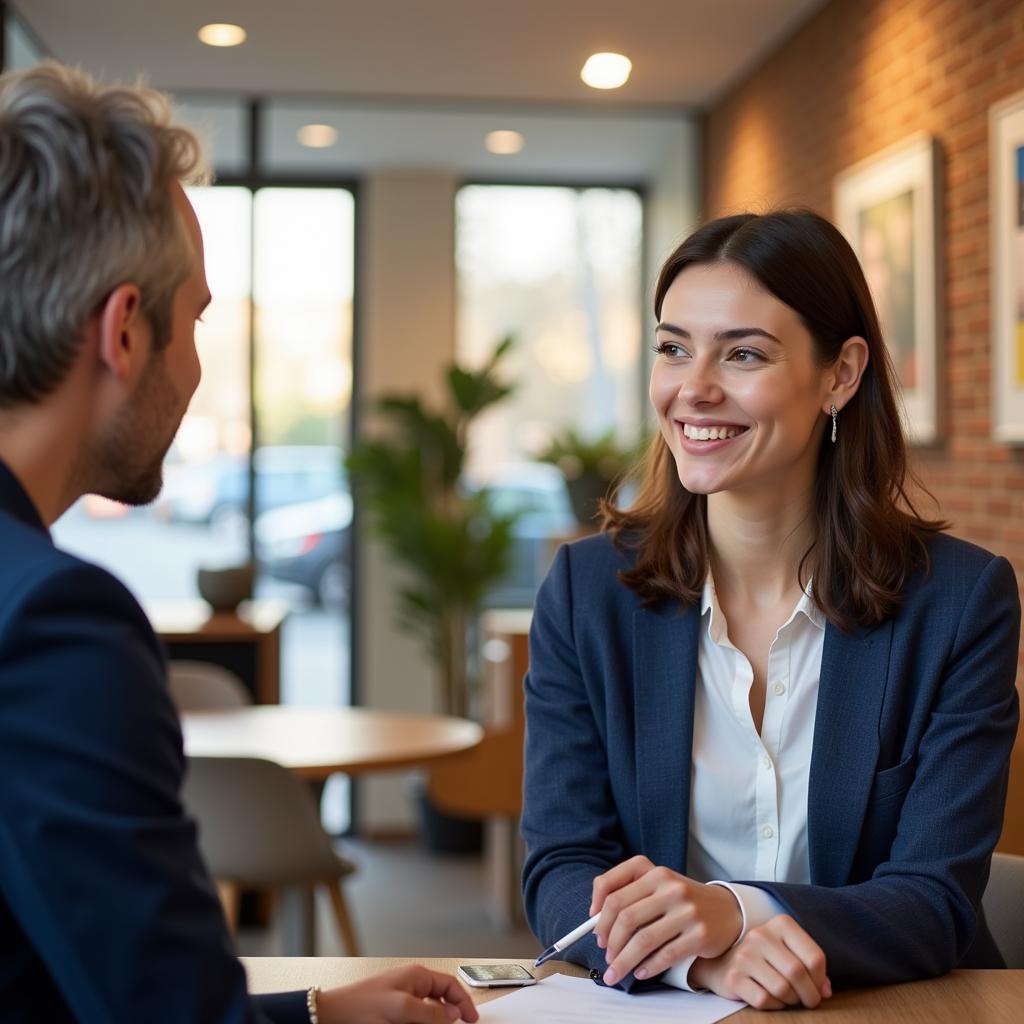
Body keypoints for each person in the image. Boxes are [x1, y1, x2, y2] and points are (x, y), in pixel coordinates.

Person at [0, 62, 478, 1024]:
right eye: (199, 320)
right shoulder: (56, 624)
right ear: (124, 331)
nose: (199, 366)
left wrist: (314, 1012)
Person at [521, 209, 1021, 1011]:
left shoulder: (959, 602)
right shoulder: (587, 594)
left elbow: (935, 899)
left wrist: (734, 911)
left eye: (743, 353)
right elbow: (561, 867)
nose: (693, 388)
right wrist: (703, 962)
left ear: (840, 375)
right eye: (673, 347)